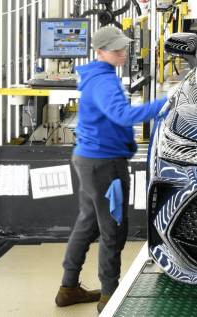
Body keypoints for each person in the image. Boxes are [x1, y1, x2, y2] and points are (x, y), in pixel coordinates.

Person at [57, 25, 168, 312]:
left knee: (87, 223)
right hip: (105, 164)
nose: (123, 52)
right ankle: (109, 296)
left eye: (123, 46)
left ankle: (68, 288)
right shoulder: (105, 82)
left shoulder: (95, 76)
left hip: (88, 160)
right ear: (100, 51)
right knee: (113, 228)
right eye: (116, 48)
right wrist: (164, 104)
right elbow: (122, 115)